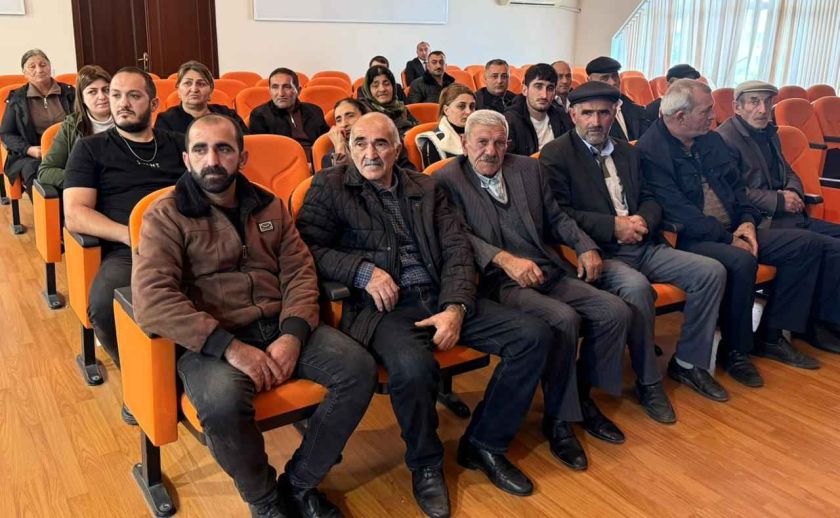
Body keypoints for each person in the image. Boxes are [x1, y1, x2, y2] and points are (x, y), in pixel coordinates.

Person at [296, 112, 552, 518]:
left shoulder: (427, 187)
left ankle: (484, 443)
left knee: (534, 336)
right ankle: (426, 463)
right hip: (382, 307)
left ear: (398, 149)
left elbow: (457, 249)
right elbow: (307, 248)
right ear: (349, 147)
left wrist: (456, 307)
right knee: (414, 368)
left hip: (439, 293)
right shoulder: (329, 187)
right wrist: (363, 272)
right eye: (360, 143)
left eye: (381, 143)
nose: (370, 153)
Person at [133, 114, 376, 518]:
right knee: (223, 404)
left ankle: (299, 484)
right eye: (201, 150)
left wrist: (293, 334)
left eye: (224, 149)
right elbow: (152, 298)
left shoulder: (270, 205)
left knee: (358, 369)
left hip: (278, 322)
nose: (213, 160)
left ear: (242, 158)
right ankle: (264, 501)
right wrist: (230, 348)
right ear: (186, 159)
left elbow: (300, 272)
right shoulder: (165, 216)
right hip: (211, 339)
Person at [435, 109, 632, 471]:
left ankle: (581, 397)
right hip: (497, 280)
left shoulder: (528, 168)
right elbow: (459, 237)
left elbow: (556, 217)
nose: (491, 151)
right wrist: (505, 260)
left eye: (499, 143)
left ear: (508, 144)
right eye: (482, 142)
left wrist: (585, 245)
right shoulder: (446, 180)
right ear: (464, 142)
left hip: (546, 268)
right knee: (563, 319)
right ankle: (559, 420)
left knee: (614, 311)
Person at [540, 81, 729, 409]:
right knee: (638, 288)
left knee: (711, 272)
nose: (596, 121)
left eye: (603, 113)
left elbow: (651, 197)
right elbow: (559, 214)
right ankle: (648, 380)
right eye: (587, 113)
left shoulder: (628, 151)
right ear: (573, 115)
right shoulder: (556, 154)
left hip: (644, 243)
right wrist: (613, 226)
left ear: (614, 113)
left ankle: (688, 363)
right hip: (600, 252)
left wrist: (642, 220)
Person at [637, 79, 825, 380]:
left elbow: (737, 188)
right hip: (686, 238)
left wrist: (747, 221)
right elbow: (678, 212)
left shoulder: (709, 140)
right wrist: (729, 238)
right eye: (706, 111)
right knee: (741, 259)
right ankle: (735, 350)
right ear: (681, 117)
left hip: (734, 229)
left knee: (806, 245)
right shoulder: (651, 150)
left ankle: (771, 335)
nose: (714, 116)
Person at [63, 67, 185, 417]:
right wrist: (128, 235)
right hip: (128, 248)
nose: (121, 103)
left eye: (133, 95)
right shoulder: (90, 149)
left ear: (154, 104)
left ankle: (194, 373)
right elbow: (75, 214)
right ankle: (141, 382)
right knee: (104, 305)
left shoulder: (179, 143)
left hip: (187, 240)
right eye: (115, 95)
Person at [717, 80, 840, 352]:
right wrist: (779, 200)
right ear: (737, 107)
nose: (763, 109)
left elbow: (789, 172)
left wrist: (793, 192)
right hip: (759, 221)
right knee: (829, 248)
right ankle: (816, 325)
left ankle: (826, 318)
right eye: (754, 102)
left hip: (787, 216)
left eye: (767, 102)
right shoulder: (725, 139)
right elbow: (733, 192)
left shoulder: (769, 133)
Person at [0, 49, 74, 195]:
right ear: (24, 73)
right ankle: (52, 209)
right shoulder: (17, 98)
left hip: (69, 149)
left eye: (43, 65)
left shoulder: (69, 92)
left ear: (50, 67)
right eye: (32, 66)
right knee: (36, 173)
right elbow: (7, 134)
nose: (39, 70)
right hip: (34, 154)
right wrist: (29, 149)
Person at [37, 65, 114, 188]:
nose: (102, 96)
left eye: (106, 90)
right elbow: (46, 172)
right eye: (92, 92)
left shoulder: (130, 120)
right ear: (82, 98)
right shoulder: (71, 126)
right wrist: (86, 179)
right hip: (87, 191)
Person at [249, 67, 328, 162]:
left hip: (317, 162)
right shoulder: (259, 115)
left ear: (298, 90)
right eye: (275, 87)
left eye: (287, 87)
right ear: (269, 91)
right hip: (283, 165)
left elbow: (325, 143)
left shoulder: (315, 111)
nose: (280, 93)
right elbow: (262, 153)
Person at [154, 60, 248, 135]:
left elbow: (246, 143)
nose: (194, 89)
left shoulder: (228, 115)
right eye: (188, 83)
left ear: (211, 91)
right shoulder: (166, 120)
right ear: (178, 90)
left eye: (201, 84)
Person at [504, 63, 572, 156]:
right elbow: (509, 161)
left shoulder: (562, 116)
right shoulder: (509, 121)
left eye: (550, 88)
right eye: (538, 86)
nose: (544, 95)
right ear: (524, 90)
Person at [585, 56, 649, 141]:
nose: (613, 82)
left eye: (615, 76)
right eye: (605, 78)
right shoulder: (585, 114)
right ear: (590, 81)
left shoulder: (635, 109)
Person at [415, 83, 475, 168]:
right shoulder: (433, 142)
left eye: (472, 106)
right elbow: (434, 175)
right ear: (446, 110)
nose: (469, 111)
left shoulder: (483, 134)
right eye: (461, 106)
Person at [357, 65, 418, 137]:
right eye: (375, 86)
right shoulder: (364, 113)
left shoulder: (400, 107)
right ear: (368, 90)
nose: (382, 89)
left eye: (386, 84)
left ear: (393, 87)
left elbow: (418, 129)